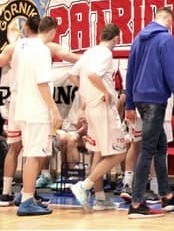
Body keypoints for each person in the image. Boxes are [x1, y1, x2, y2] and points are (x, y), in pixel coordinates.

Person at [124, 7, 174, 219]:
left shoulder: (138, 38)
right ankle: (136, 203)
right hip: (155, 101)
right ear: (169, 22)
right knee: (148, 150)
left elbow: (130, 72)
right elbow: (173, 73)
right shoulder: (166, 39)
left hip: (140, 100)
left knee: (160, 147)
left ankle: (166, 195)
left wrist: (129, 104)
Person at [69, 24, 125, 212]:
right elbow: (93, 75)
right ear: (116, 38)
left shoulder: (89, 52)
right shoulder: (106, 53)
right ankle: (84, 186)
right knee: (119, 153)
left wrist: (87, 93)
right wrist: (104, 92)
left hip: (91, 108)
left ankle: (100, 199)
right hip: (103, 108)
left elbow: (72, 75)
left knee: (98, 152)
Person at [11, 16, 62, 216]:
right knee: (33, 156)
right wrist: (54, 109)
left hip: (23, 107)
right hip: (36, 110)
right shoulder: (41, 50)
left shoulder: (23, 46)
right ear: (52, 31)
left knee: (32, 154)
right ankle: (26, 201)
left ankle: (26, 195)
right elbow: (42, 83)